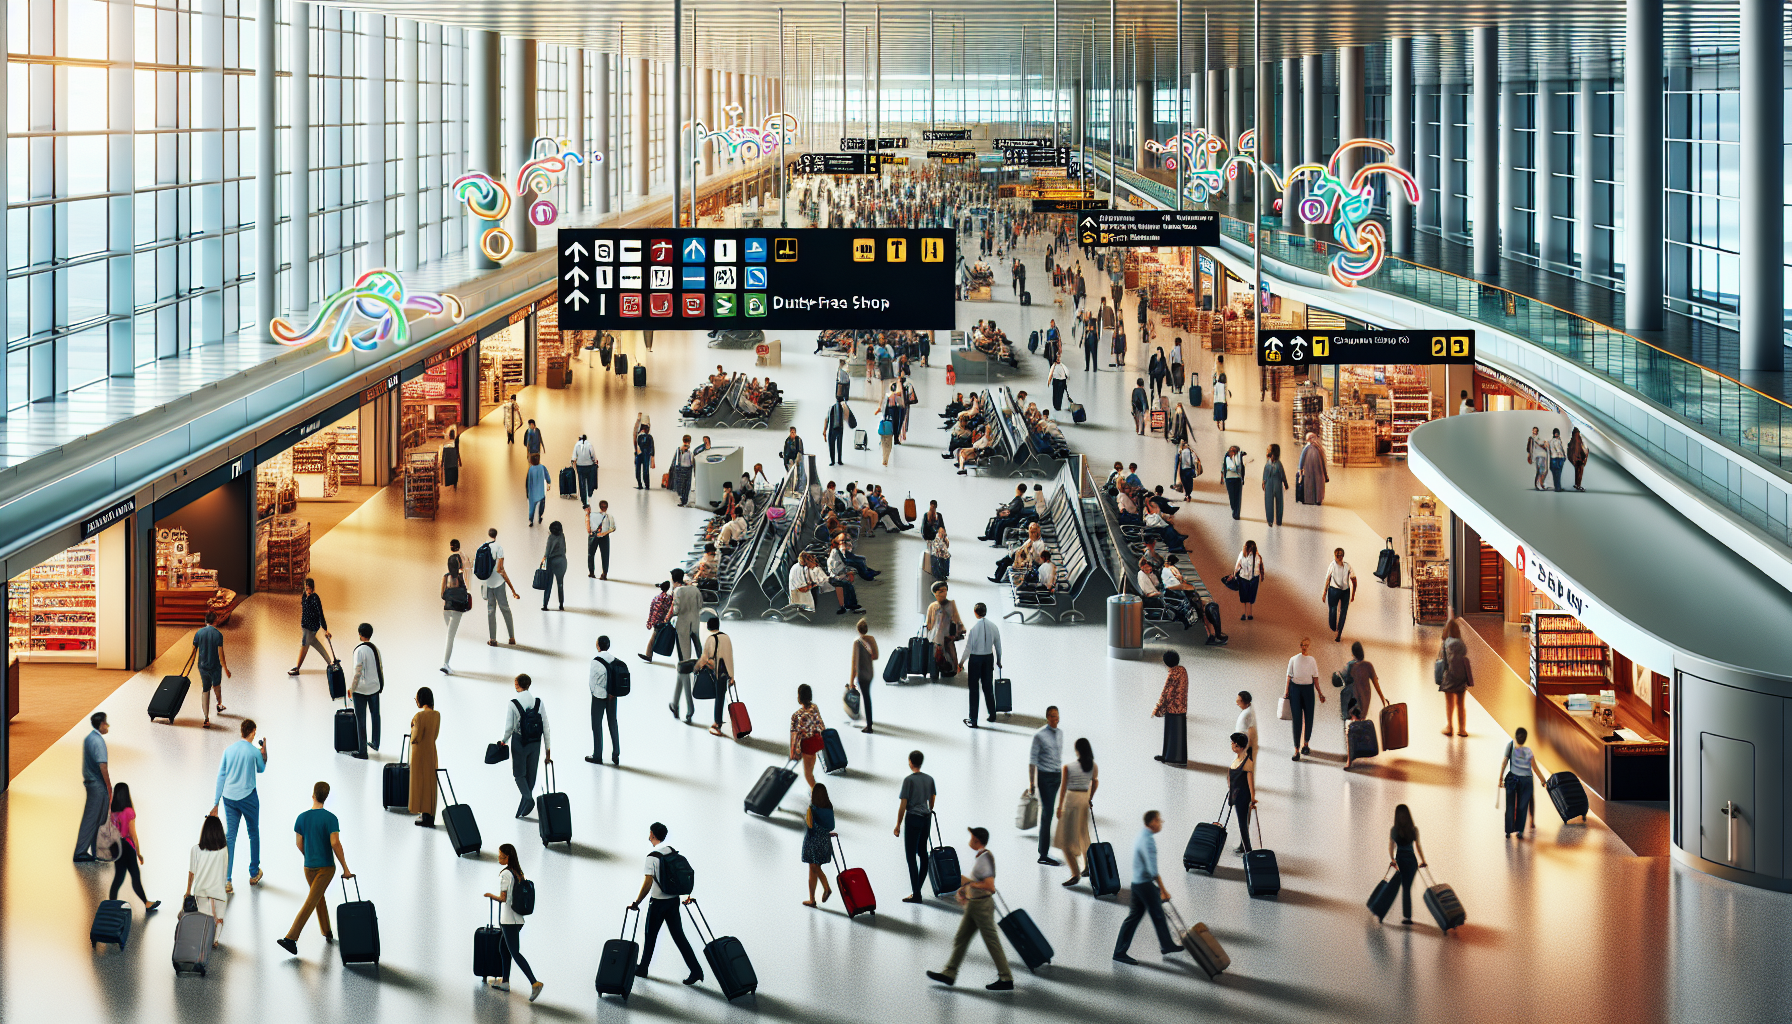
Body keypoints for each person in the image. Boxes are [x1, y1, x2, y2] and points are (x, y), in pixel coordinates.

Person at [924, 827, 1015, 991]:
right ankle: (949, 973)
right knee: (961, 938)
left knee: (991, 941)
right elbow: (977, 883)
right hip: (974, 904)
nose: (969, 840)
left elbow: (989, 886)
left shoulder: (985, 858)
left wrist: (970, 885)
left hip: (982, 906)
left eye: (971, 837)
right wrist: (964, 887)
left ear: (977, 841)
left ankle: (1006, 977)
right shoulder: (981, 856)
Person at [276, 781, 353, 956]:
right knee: (314, 899)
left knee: (315, 897)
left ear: (313, 795)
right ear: (326, 797)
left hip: (308, 867)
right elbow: (335, 843)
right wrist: (345, 868)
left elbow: (298, 843)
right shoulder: (331, 818)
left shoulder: (301, 818)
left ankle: (317, 933)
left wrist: (309, 855)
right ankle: (293, 939)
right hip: (326, 867)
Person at [629, 822, 704, 986]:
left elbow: (648, 884)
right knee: (679, 936)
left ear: (652, 834)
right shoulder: (671, 851)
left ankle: (643, 969)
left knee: (650, 936)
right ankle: (696, 970)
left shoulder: (652, 857)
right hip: (673, 901)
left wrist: (636, 902)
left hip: (657, 904)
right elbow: (682, 874)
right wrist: (687, 894)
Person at [1111, 810, 1181, 964]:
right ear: (1152, 822)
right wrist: (1163, 890)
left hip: (1137, 883)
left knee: (1134, 917)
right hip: (1144, 884)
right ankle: (1166, 945)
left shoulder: (1141, 836)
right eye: (1159, 820)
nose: (1161, 823)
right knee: (1157, 915)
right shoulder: (1148, 840)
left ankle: (1120, 951)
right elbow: (1153, 870)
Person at [209, 718, 266, 891]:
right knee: (253, 832)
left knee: (230, 837)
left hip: (229, 798)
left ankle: (227, 880)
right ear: (253, 732)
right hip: (248, 797)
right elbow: (261, 769)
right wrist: (264, 752)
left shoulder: (228, 750)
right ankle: (254, 872)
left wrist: (215, 803)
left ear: (241, 731)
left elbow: (221, 776)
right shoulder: (254, 751)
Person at [483, 844, 544, 1000]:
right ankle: (505, 982)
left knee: (514, 952)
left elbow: (503, 898)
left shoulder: (505, 874)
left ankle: (534, 983)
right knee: (503, 949)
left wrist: (490, 895)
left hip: (509, 920)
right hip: (517, 918)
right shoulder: (518, 873)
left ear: (507, 857)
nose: (498, 858)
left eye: (501, 855)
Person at [499, 674, 552, 819]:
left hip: (519, 741)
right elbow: (546, 727)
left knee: (519, 774)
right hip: (535, 742)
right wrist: (548, 751)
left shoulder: (513, 703)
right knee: (531, 776)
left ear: (517, 684)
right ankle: (521, 811)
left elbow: (509, 728)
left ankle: (528, 800)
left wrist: (503, 741)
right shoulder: (538, 702)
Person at [107, 783, 161, 911]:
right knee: (135, 876)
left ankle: (110, 904)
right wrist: (138, 853)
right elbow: (133, 835)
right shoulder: (129, 812)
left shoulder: (113, 812)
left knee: (119, 877)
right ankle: (146, 903)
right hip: (127, 847)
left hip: (117, 847)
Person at [894, 750, 937, 904]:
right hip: (926, 819)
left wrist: (898, 824)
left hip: (913, 819)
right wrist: (928, 808)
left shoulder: (908, 781)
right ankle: (918, 888)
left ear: (910, 762)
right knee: (922, 853)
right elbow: (932, 800)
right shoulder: (929, 779)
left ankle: (916, 893)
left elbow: (903, 805)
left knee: (911, 856)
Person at [1054, 738, 1098, 885]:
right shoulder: (1093, 766)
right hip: (1084, 799)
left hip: (1072, 799)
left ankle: (1075, 873)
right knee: (1083, 834)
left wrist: (1060, 807)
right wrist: (1090, 798)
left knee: (1064, 839)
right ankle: (1088, 866)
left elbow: (1063, 788)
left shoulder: (1068, 767)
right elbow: (1095, 781)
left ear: (1077, 750)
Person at [1027, 707, 1064, 866]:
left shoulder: (1061, 733)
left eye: (1057, 716)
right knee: (1047, 814)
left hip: (1057, 776)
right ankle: (1043, 853)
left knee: (1050, 812)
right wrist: (1031, 783)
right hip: (1045, 778)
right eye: (1052, 717)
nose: (1055, 719)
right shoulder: (1039, 736)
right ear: (1047, 717)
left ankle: (1047, 848)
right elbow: (1032, 761)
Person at [74, 712, 112, 862]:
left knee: (97, 817)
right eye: (106, 723)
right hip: (98, 785)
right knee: (94, 818)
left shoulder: (89, 738)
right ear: (101, 724)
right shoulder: (98, 741)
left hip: (90, 782)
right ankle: (81, 851)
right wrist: (109, 786)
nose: (108, 726)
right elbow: (102, 765)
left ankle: (96, 852)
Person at [186, 816, 229, 943]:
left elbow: (191, 872)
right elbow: (224, 871)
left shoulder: (196, 849)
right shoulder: (223, 850)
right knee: (219, 918)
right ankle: (215, 940)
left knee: (206, 916)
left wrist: (188, 891)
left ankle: (205, 940)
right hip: (218, 890)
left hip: (201, 890)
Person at [1386, 804, 1428, 925]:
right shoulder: (1414, 829)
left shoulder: (1394, 830)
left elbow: (1391, 846)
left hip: (1401, 861)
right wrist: (1423, 861)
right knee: (1406, 887)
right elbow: (1418, 846)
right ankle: (1407, 916)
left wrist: (1392, 860)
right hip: (1411, 862)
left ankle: (1406, 916)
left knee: (1405, 888)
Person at [477, 528, 520, 647]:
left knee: (491, 611)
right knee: (505, 608)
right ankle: (511, 637)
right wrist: (512, 588)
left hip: (488, 582)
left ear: (488, 535)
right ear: (496, 535)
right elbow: (500, 569)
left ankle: (493, 639)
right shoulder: (499, 548)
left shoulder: (482, 547)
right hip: (499, 583)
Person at [963, 603, 1003, 728]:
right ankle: (992, 714)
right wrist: (999, 660)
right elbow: (998, 646)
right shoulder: (993, 626)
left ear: (975, 612)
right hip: (988, 658)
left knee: (974, 689)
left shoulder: (973, 628)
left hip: (975, 659)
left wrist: (960, 662)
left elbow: (968, 648)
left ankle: (973, 719)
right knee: (988, 687)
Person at [1286, 637, 1327, 760]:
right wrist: (1286, 691)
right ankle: (1296, 749)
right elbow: (1289, 676)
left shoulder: (1312, 660)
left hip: (1308, 690)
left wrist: (1320, 692)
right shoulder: (1293, 659)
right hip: (1295, 690)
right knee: (1297, 719)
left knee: (1309, 717)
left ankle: (1306, 744)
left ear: (1309, 647)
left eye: (1307, 645)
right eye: (1303, 645)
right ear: (1300, 645)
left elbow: (1315, 678)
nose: (1304, 647)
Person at [348, 622, 383, 759]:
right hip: (375, 687)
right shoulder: (375, 649)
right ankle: (375, 742)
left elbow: (357, 672)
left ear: (360, 634)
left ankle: (363, 751)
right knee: (375, 715)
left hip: (361, 689)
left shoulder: (359, 650)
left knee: (361, 720)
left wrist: (352, 688)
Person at [586, 636, 623, 765]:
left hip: (599, 696)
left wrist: (594, 692)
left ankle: (597, 755)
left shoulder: (595, 661)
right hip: (612, 696)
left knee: (596, 725)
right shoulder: (614, 659)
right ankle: (616, 754)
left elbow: (592, 681)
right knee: (613, 723)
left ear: (598, 645)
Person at [697, 618, 735, 738]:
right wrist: (732, 676)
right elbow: (729, 657)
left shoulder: (710, 639)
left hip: (716, 672)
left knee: (718, 697)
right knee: (721, 696)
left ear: (708, 626)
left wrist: (696, 668)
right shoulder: (726, 637)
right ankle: (722, 721)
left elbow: (704, 658)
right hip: (725, 672)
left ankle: (716, 724)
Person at [192, 610, 230, 727]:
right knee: (216, 685)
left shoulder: (199, 633)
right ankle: (219, 704)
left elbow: (193, 650)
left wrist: (190, 664)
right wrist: (225, 668)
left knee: (205, 689)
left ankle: (206, 718)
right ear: (216, 621)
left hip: (202, 666)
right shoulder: (218, 635)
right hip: (215, 666)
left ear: (205, 621)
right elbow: (220, 654)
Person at [1500, 727, 1540, 837]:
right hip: (1526, 779)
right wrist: (1543, 780)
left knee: (1511, 805)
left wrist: (1500, 778)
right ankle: (1524, 827)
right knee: (1526, 801)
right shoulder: (1527, 749)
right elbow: (1534, 767)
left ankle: (1509, 830)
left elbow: (1504, 762)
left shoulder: (1510, 745)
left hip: (1513, 779)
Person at [287, 577, 332, 676]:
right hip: (305, 625)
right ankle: (331, 662)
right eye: (306, 588)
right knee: (315, 644)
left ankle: (297, 668)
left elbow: (320, 614)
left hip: (312, 627)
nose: (307, 591)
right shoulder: (304, 596)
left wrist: (325, 629)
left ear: (312, 588)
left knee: (304, 645)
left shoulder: (315, 598)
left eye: (309, 589)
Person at [802, 783, 837, 908]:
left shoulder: (812, 808)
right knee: (813, 869)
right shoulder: (829, 807)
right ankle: (812, 899)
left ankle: (827, 888)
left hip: (813, 842)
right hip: (824, 842)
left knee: (814, 868)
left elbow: (810, 825)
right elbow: (831, 826)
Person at [1439, 618, 1475, 736]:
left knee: (1450, 703)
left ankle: (1450, 727)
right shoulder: (1461, 643)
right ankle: (1462, 729)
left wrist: (1441, 678)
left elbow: (1443, 661)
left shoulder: (1445, 644)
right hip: (1461, 678)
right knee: (1461, 704)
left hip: (1449, 677)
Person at [410, 688, 440, 826]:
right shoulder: (437, 715)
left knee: (419, 783)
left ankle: (422, 813)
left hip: (419, 753)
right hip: (431, 751)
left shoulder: (419, 716)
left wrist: (412, 727)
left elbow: (415, 737)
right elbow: (434, 735)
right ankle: (430, 815)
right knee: (430, 783)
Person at [1152, 652, 1188, 766]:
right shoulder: (1182, 670)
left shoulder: (1172, 674)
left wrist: (1157, 708)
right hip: (1182, 707)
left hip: (1172, 708)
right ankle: (1177, 757)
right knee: (1179, 734)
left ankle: (1170, 756)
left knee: (1170, 733)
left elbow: (1165, 693)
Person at [923, 581, 964, 680]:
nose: (944, 593)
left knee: (950, 656)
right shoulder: (932, 607)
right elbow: (928, 624)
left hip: (947, 637)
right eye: (941, 591)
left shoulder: (951, 604)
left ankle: (951, 670)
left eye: (945, 590)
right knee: (936, 657)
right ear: (935, 593)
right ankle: (936, 670)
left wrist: (959, 631)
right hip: (935, 638)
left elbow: (957, 619)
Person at [789, 683, 826, 787]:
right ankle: (813, 791)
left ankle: (816, 794)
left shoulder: (796, 716)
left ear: (799, 697)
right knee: (811, 769)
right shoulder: (814, 707)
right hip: (817, 741)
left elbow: (795, 736)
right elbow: (820, 723)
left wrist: (794, 753)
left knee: (807, 774)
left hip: (807, 745)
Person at [1228, 733, 1258, 853]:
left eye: (1233, 743)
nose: (1231, 745)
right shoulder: (1238, 758)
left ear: (1239, 746)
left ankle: (1247, 850)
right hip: (1236, 794)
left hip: (1242, 796)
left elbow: (1250, 782)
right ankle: (1243, 845)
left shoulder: (1247, 762)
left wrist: (1252, 797)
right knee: (1242, 822)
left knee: (1242, 823)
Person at [1321, 547, 1357, 642]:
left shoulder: (1347, 566)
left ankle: (1338, 633)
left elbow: (1354, 580)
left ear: (1342, 556)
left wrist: (1353, 594)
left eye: (1340, 555)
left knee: (1342, 612)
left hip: (1343, 591)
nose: (1338, 557)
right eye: (1337, 555)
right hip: (1334, 590)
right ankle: (1334, 628)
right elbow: (1328, 578)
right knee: (1334, 610)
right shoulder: (1333, 565)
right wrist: (1324, 592)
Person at [442, 541, 467, 674]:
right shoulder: (461, 578)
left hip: (446, 609)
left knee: (450, 633)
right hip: (457, 610)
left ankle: (446, 663)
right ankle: (445, 664)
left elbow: (442, 595)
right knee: (450, 637)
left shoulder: (445, 577)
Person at [850, 620, 878, 734]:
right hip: (870, 673)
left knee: (866, 699)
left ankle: (869, 725)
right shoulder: (871, 639)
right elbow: (875, 656)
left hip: (861, 675)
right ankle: (868, 720)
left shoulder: (857, 642)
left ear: (858, 630)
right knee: (867, 697)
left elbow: (854, 663)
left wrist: (851, 680)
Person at [637, 580, 673, 663]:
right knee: (654, 636)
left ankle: (649, 654)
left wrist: (649, 621)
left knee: (654, 636)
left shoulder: (656, 597)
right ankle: (649, 655)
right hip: (662, 621)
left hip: (655, 620)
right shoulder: (668, 599)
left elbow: (651, 609)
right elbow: (669, 609)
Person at [539, 521, 567, 610]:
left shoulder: (551, 538)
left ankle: (545, 605)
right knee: (560, 584)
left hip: (552, 562)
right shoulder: (562, 536)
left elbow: (547, 552)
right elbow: (564, 549)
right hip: (562, 561)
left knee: (548, 584)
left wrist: (543, 559)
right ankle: (561, 604)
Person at [1233, 540, 1264, 619]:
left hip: (1244, 578)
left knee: (1244, 597)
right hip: (1253, 578)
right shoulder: (1257, 556)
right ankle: (1249, 614)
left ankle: (1245, 614)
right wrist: (1261, 576)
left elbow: (1237, 565)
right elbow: (1260, 567)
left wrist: (1235, 574)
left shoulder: (1242, 555)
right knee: (1250, 596)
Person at [586, 500, 615, 580]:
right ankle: (594, 572)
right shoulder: (608, 516)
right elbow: (612, 528)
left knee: (599, 555)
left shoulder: (594, 515)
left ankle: (601, 573)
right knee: (597, 554)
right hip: (600, 536)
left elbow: (589, 526)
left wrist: (603, 533)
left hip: (599, 536)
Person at [1296, 432, 1328, 505]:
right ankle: (1310, 499)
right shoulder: (1306, 448)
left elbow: (1323, 461)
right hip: (1309, 471)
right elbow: (1301, 459)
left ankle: (1318, 499)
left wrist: (1325, 473)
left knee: (1318, 485)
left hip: (1318, 471)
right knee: (1310, 485)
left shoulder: (1319, 449)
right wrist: (1300, 470)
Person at [1262, 443, 1288, 526]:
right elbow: (1265, 473)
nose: (1267, 450)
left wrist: (1285, 482)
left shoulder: (1278, 464)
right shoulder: (1268, 462)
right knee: (1268, 501)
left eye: (1268, 449)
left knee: (1279, 501)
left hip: (1277, 483)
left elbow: (1282, 474)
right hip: (1269, 483)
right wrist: (1263, 481)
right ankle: (1270, 520)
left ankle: (1278, 520)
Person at [524, 452, 550, 527]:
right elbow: (547, 476)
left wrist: (527, 493)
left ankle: (531, 520)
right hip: (541, 491)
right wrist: (549, 483)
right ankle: (540, 516)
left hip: (533, 493)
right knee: (542, 505)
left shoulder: (530, 470)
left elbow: (528, 482)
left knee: (532, 507)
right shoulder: (542, 467)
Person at [572, 433, 598, 507]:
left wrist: (574, 465)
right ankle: (590, 494)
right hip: (589, 466)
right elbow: (593, 455)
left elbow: (574, 457)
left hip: (580, 466)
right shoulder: (589, 444)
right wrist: (594, 461)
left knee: (581, 482)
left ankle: (583, 499)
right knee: (590, 481)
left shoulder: (577, 445)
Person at [1221, 445, 1247, 519]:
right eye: (1231, 451)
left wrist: (1242, 477)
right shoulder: (1227, 458)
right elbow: (1224, 468)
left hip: (1238, 478)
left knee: (1238, 497)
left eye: (1234, 451)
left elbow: (1242, 467)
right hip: (1229, 478)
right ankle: (1234, 509)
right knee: (1232, 496)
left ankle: (1237, 513)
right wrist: (1222, 478)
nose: (1232, 452)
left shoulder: (1239, 458)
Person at [670, 435, 697, 506]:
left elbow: (675, 460)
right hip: (687, 468)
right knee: (686, 485)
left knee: (682, 484)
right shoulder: (688, 450)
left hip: (681, 468)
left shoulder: (680, 449)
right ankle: (684, 499)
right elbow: (692, 461)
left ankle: (683, 499)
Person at [824, 398, 848, 466]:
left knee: (831, 444)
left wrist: (824, 430)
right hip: (840, 428)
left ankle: (833, 461)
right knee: (839, 444)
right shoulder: (842, 407)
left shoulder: (831, 407)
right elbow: (846, 417)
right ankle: (839, 460)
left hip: (832, 429)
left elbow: (826, 419)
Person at [1236, 691, 1259, 758]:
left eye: (1239, 701)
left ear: (1244, 701)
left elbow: (1251, 731)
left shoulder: (1248, 713)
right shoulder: (1246, 712)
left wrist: (1247, 748)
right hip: (1241, 745)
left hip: (1245, 746)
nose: (1237, 703)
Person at [633, 421, 655, 490]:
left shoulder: (639, 437)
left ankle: (640, 485)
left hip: (640, 455)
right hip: (645, 455)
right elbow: (652, 447)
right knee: (645, 470)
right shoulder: (649, 437)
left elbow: (636, 447)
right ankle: (646, 485)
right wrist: (652, 456)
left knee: (639, 470)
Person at [1527, 426, 1549, 490]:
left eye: (1536, 430)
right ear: (1532, 431)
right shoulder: (1531, 438)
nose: (1535, 432)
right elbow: (1529, 448)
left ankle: (1541, 484)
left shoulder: (1539, 438)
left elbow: (1542, 443)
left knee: (1544, 470)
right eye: (1534, 430)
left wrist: (1544, 443)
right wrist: (1529, 456)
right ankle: (1537, 484)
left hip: (1543, 455)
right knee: (1539, 470)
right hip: (1537, 455)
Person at [1548, 427, 1568, 491]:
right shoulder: (1557, 441)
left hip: (1555, 458)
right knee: (1558, 473)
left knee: (1556, 474)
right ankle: (1558, 487)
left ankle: (1557, 487)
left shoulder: (1551, 441)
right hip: (1558, 458)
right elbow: (1561, 449)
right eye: (1556, 433)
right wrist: (1564, 456)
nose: (1557, 435)